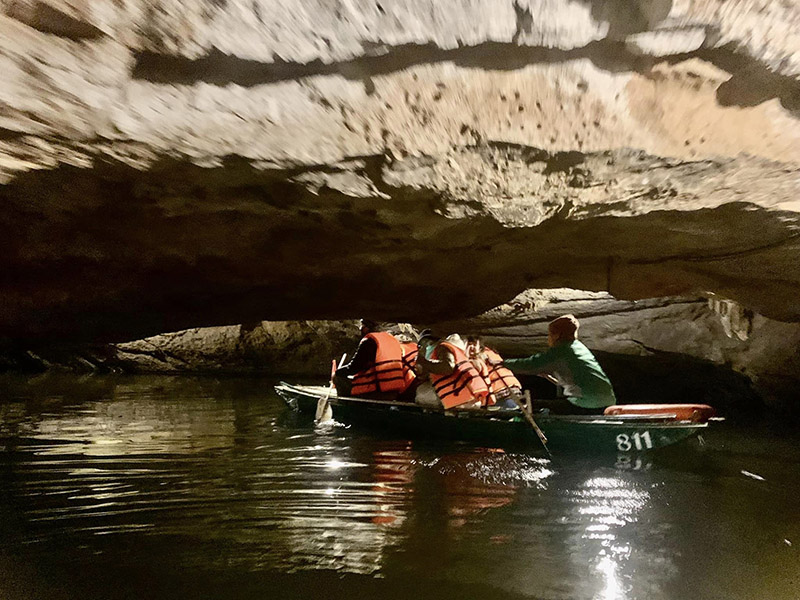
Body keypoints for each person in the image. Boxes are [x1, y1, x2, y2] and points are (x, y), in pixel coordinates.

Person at [502, 314, 616, 415]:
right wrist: (550, 378)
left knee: (534, 405)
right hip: (607, 401)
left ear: (556, 335)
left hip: (587, 404)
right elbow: (581, 381)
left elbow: (531, 364)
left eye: (550, 335)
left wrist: (503, 363)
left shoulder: (561, 349)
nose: (548, 338)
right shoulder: (579, 347)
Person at [334, 319, 415, 399]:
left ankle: (344, 405)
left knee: (338, 376)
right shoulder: (391, 339)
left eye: (362, 325)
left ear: (368, 327)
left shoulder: (369, 342)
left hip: (375, 390)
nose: (360, 329)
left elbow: (353, 368)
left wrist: (337, 372)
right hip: (393, 390)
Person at [415, 333, 490, 409]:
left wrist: (423, 362)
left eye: (429, 343)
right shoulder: (460, 354)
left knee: (422, 395)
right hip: (472, 398)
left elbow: (448, 367)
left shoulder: (445, 348)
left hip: (459, 400)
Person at [466, 336, 522, 409]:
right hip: (514, 389)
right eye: (469, 345)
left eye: (473, 344)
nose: (471, 347)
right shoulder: (490, 352)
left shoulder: (478, 358)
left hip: (500, 392)